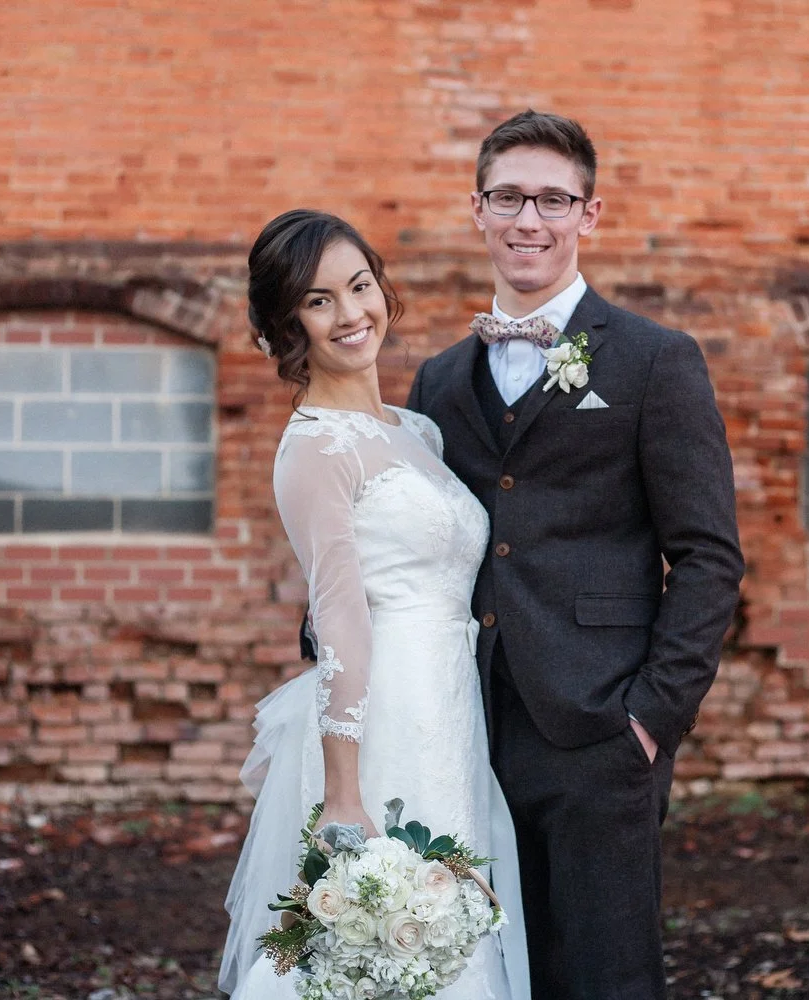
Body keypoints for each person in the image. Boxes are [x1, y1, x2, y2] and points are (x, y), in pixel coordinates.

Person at [405, 110, 744, 1000]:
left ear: (589, 216)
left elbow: (708, 556)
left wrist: (652, 717)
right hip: (464, 725)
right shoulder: (439, 381)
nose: (530, 220)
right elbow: (409, 528)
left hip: (601, 725)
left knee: (603, 976)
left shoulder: (655, 362)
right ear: (476, 208)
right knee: (481, 961)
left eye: (554, 200)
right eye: (509, 197)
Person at [217, 210, 529, 1000]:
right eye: (320, 301)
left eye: (359, 287)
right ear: (289, 325)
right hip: (383, 716)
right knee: (381, 942)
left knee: (446, 933)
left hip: (450, 708)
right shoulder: (315, 449)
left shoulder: (415, 430)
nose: (352, 314)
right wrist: (344, 791)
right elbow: (339, 621)